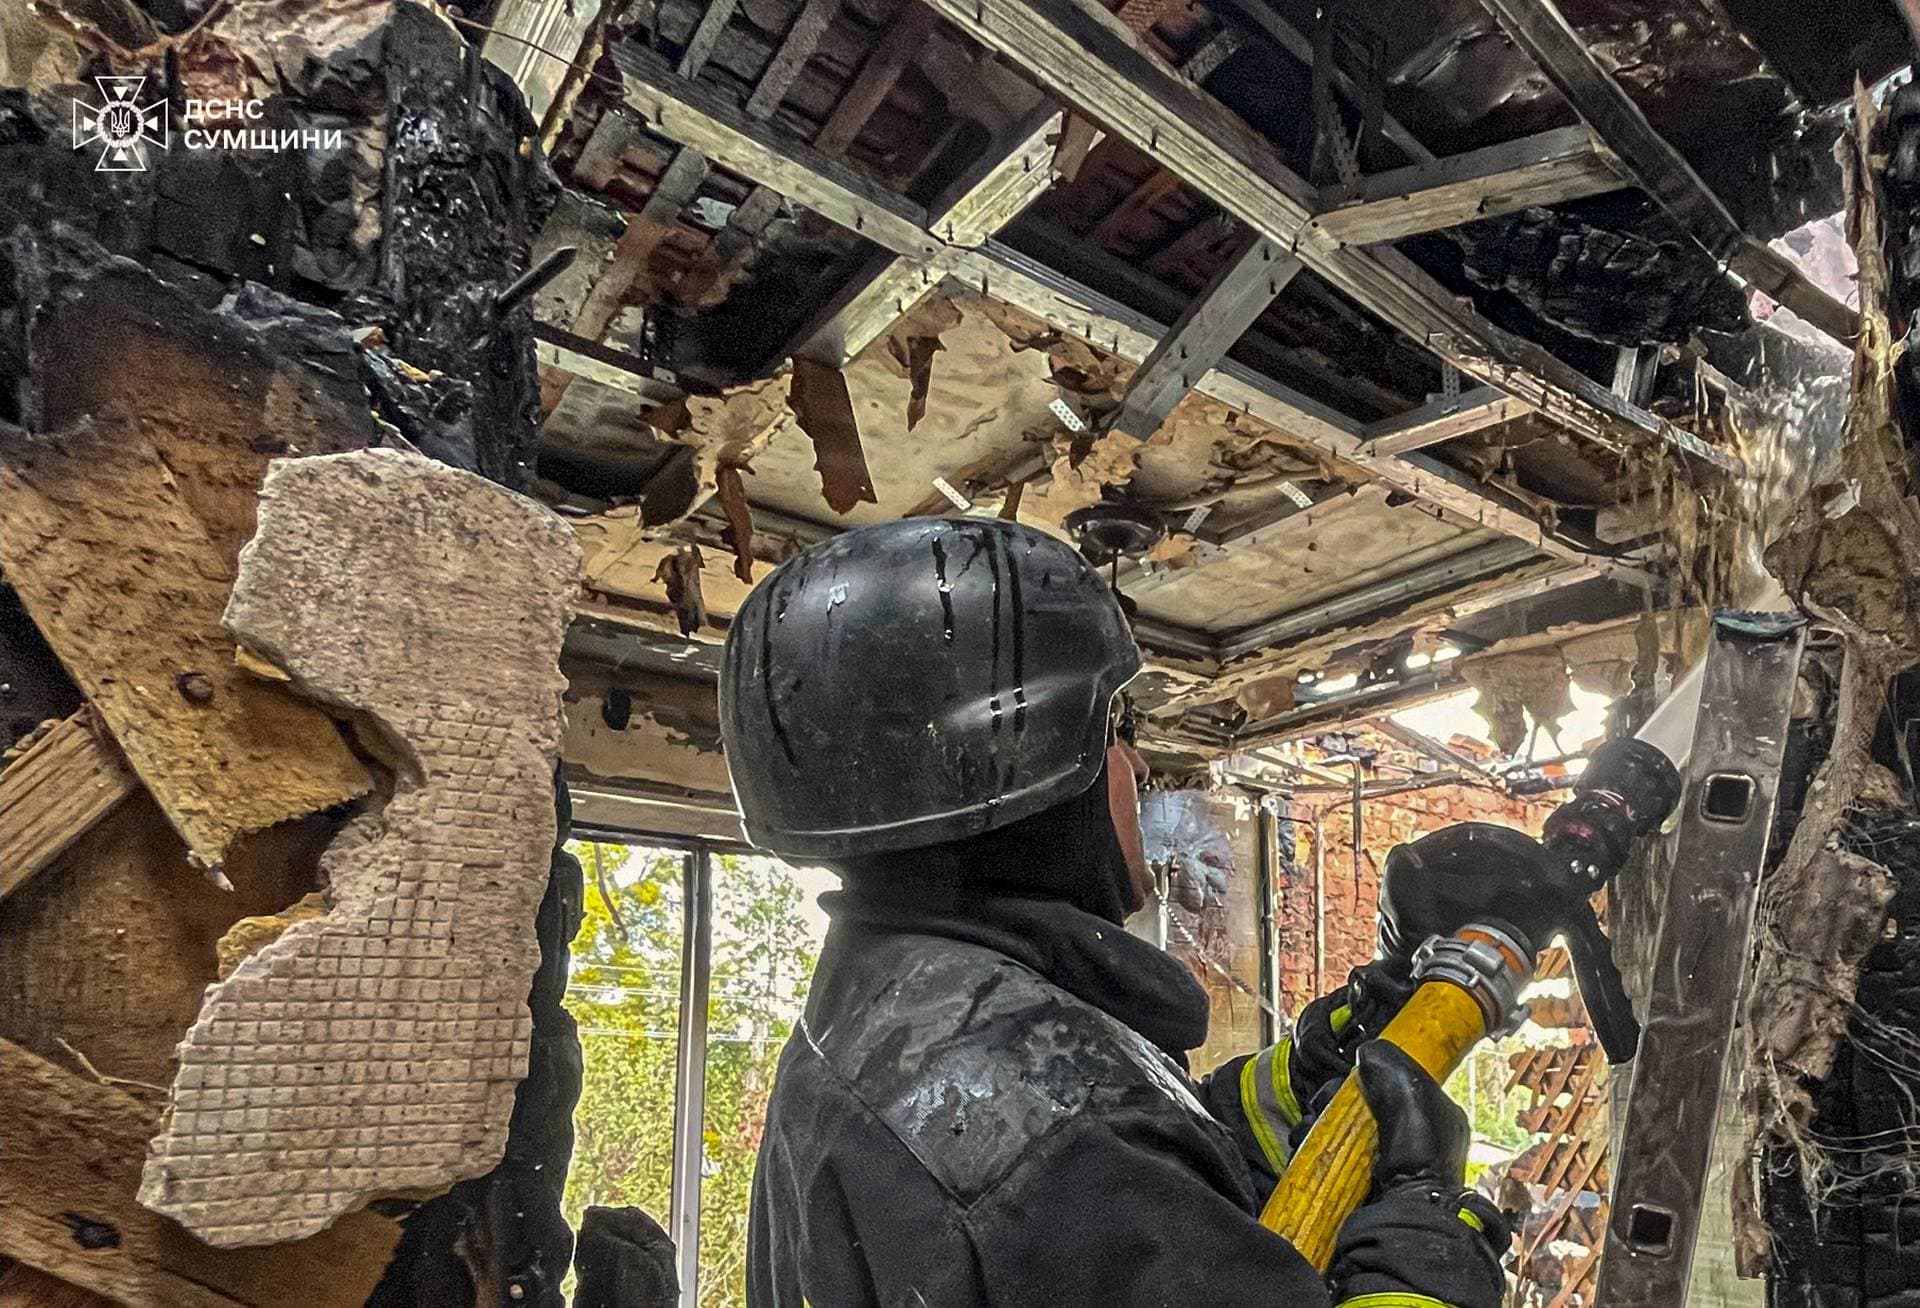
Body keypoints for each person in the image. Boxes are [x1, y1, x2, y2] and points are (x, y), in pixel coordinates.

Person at [721, 517, 1509, 1307]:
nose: (1136, 768)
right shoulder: (1067, 1145)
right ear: (1032, 767)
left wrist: (1305, 1077)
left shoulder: (892, 1004)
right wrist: (1424, 1242)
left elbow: (1151, 1198)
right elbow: (1092, 1173)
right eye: (1117, 732)